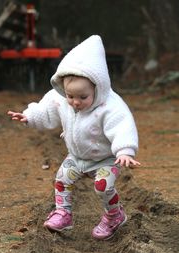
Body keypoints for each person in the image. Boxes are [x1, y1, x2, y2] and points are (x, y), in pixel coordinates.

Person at [8, 35, 140, 240]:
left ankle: (114, 215)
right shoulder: (61, 98)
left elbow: (122, 125)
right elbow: (45, 109)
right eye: (70, 96)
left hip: (104, 159)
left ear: (98, 87)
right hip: (76, 157)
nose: (75, 102)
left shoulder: (110, 106)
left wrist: (124, 150)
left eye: (82, 97)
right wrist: (29, 116)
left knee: (103, 186)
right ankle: (63, 213)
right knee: (61, 180)